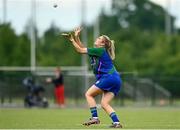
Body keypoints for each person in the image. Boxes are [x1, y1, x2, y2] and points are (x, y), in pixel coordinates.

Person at [63, 27, 122, 128]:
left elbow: (80, 50)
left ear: (103, 44)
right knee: (104, 103)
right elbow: (83, 48)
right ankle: (117, 123)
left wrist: (72, 40)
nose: (97, 38)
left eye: (99, 38)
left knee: (89, 94)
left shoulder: (100, 50)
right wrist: (77, 36)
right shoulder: (97, 52)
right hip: (116, 79)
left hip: (108, 77)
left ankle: (95, 118)